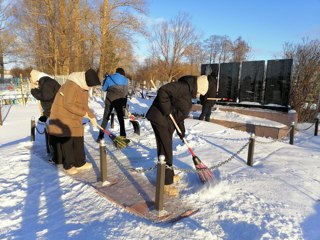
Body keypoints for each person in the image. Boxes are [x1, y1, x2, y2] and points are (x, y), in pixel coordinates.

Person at [146, 75, 209, 196]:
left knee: (165, 149)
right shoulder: (183, 87)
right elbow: (163, 91)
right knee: (166, 150)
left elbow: (178, 113)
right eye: (199, 92)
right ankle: (166, 183)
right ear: (197, 86)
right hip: (160, 119)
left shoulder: (187, 92)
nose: (198, 95)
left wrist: (181, 131)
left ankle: (167, 176)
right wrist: (167, 110)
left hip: (166, 121)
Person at [48, 69, 100, 175]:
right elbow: (68, 104)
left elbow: (85, 105)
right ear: (86, 81)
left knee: (78, 136)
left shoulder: (84, 88)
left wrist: (92, 117)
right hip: (62, 114)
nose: (91, 87)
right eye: (91, 85)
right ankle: (69, 165)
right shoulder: (71, 85)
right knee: (68, 139)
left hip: (74, 115)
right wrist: (83, 113)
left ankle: (80, 162)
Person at [96, 67, 129, 142]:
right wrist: (124, 103)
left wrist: (106, 81)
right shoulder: (125, 80)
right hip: (119, 101)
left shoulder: (109, 78)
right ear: (122, 73)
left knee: (105, 119)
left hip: (109, 100)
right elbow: (125, 93)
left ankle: (100, 137)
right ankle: (123, 136)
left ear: (116, 72)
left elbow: (104, 89)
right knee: (121, 119)